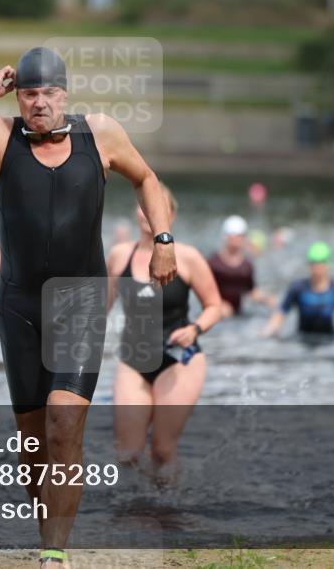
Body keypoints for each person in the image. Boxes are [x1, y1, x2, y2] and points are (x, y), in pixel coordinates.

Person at [0, 46, 177, 567]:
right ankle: (48, 533)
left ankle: (54, 553)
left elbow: (146, 179)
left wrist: (164, 239)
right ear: (19, 97)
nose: (38, 103)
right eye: (29, 94)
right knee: (35, 449)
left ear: (65, 93)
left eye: (47, 93)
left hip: (79, 301)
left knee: (65, 424)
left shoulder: (100, 134)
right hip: (17, 306)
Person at [106, 185, 222, 481]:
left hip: (179, 359)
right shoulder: (120, 255)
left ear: (170, 216)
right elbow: (99, 308)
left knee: (162, 450)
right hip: (134, 360)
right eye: (144, 205)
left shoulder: (188, 257)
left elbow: (214, 306)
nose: (148, 213)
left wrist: (194, 329)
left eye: (157, 207)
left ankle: (169, 512)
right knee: (128, 454)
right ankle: (133, 512)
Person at [262, 241, 334, 341]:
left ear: (327, 264)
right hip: (303, 340)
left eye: (320, 262)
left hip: (330, 341)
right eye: (313, 263)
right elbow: (280, 314)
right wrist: (266, 332)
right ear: (309, 264)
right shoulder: (298, 288)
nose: (317, 267)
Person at [207, 215, 276, 317]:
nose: (237, 240)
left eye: (240, 236)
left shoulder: (246, 265)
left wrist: (266, 300)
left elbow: (251, 290)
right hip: (217, 313)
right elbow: (204, 290)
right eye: (235, 236)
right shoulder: (214, 262)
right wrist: (218, 305)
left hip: (237, 314)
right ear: (226, 237)